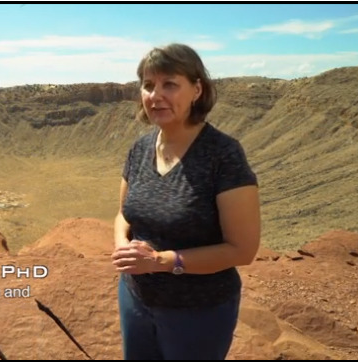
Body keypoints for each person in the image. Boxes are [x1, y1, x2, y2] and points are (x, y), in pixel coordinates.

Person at [111, 43, 261, 360]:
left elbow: (242, 250)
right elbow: (124, 215)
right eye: (148, 85)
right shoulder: (140, 148)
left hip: (198, 312)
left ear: (196, 89)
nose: (156, 95)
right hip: (135, 298)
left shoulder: (223, 155)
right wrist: (124, 250)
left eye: (170, 84)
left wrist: (161, 261)